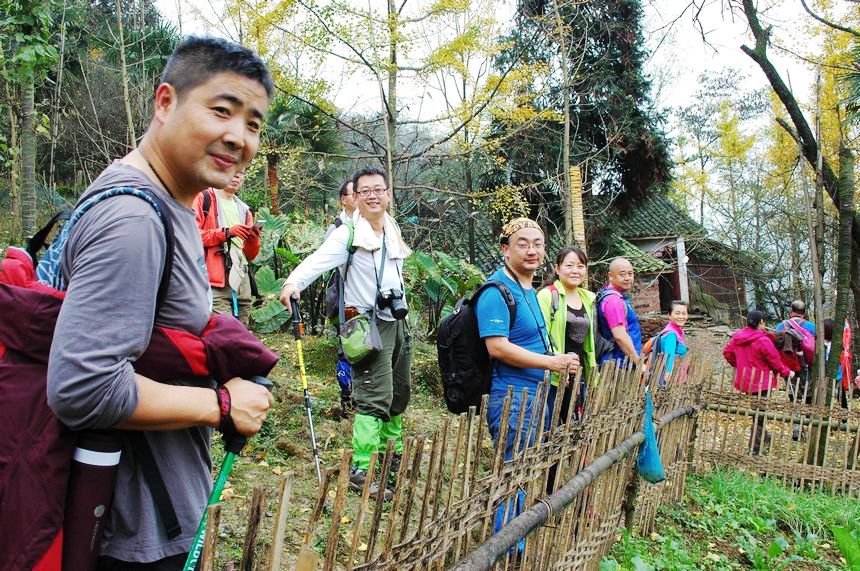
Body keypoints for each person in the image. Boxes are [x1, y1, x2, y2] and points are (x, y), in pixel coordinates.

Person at [45, 37, 275, 568]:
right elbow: (84, 385)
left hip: (141, 511)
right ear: (165, 102)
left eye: (254, 124)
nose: (237, 136)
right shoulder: (134, 220)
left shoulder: (166, 203)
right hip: (131, 527)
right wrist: (221, 406)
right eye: (222, 110)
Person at [279, 166, 412, 497]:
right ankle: (362, 470)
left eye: (377, 189)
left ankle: (389, 457)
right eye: (363, 190)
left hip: (397, 321)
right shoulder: (349, 233)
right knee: (372, 396)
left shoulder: (392, 230)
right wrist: (293, 282)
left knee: (399, 392)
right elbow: (318, 260)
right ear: (355, 197)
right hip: (364, 324)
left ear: (388, 194)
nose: (371, 195)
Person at [476, 218, 578, 530]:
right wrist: (552, 364)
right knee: (512, 475)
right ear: (505, 250)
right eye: (522, 244)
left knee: (521, 473)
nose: (531, 250)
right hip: (513, 397)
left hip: (535, 396)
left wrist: (560, 360)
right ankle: (508, 550)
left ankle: (513, 542)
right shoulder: (497, 291)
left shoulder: (529, 289)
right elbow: (498, 348)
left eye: (538, 244)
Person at [537, 245, 596, 423]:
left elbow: (588, 344)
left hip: (580, 375)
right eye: (569, 266)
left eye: (580, 266)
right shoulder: (547, 296)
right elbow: (541, 336)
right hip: (554, 375)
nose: (575, 271)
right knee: (552, 430)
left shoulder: (588, 299)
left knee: (576, 429)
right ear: (557, 268)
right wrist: (559, 364)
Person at [194, 170, 261, 326]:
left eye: (241, 172)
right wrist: (227, 233)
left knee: (242, 332)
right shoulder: (204, 199)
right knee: (224, 330)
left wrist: (253, 239)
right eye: (232, 171)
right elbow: (192, 235)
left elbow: (250, 255)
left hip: (241, 278)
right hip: (215, 278)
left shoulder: (244, 210)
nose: (236, 175)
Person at [723, 311, 794, 455]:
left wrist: (739, 365)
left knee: (757, 409)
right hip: (761, 381)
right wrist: (787, 372)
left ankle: (764, 435)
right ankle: (755, 446)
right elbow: (774, 361)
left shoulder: (738, 338)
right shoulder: (763, 340)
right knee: (760, 412)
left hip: (746, 380)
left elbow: (727, 352)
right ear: (761, 322)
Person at [323, 179, 358, 415]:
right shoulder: (336, 228)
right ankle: (347, 399)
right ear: (343, 199)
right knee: (347, 348)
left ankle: (363, 397)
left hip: (369, 301)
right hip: (345, 298)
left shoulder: (373, 223)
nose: (357, 197)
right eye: (353, 194)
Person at [775, 300, 815, 439]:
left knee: (794, 397)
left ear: (791, 311)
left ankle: (797, 428)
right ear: (804, 313)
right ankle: (810, 426)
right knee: (808, 396)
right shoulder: (812, 327)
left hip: (788, 367)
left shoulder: (781, 326)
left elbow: (777, 346)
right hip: (807, 367)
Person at [595, 257, 642, 366]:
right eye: (622, 274)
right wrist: (638, 363)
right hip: (618, 364)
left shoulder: (618, 297)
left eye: (630, 274)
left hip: (622, 362)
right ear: (611, 276)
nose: (627, 278)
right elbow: (620, 336)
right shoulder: (613, 300)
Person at [656, 300, 689, 383]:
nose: (681, 316)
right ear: (669, 315)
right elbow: (669, 356)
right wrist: (668, 373)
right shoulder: (671, 334)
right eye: (677, 313)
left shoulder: (676, 332)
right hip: (671, 378)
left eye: (684, 313)